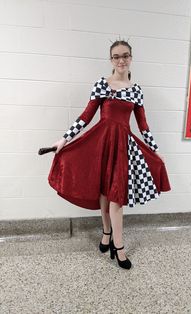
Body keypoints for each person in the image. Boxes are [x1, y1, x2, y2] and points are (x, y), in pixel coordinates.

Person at [48, 40, 171, 270]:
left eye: (125, 55)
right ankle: (106, 233)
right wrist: (64, 140)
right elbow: (86, 116)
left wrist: (155, 151)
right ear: (111, 60)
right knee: (103, 194)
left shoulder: (136, 91)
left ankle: (119, 246)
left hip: (123, 148)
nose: (121, 60)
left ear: (131, 58)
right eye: (116, 56)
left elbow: (143, 126)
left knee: (116, 197)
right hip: (101, 145)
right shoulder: (102, 84)